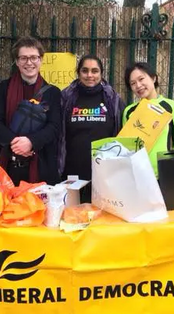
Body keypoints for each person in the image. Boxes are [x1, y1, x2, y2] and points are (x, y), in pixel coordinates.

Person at [0, 36, 61, 186]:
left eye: (34, 57)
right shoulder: (4, 88)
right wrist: (16, 143)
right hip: (9, 164)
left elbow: (54, 127)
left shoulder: (53, 92)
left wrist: (31, 142)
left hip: (42, 166)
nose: (29, 63)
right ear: (16, 61)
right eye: (23, 58)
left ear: (41, 59)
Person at [59, 55, 125, 203]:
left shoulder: (113, 100)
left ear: (101, 74)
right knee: (74, 218)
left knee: (101, 220)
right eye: (85, 71)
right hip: (72, 173)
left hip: (104, 174)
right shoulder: (66, 98)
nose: (90, 75)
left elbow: (122, 133)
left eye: (95, 71)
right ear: (78, 73)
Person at [123, 62, 174, 177]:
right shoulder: (129, 111)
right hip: (137, 176)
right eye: (133, 83)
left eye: (141, 79)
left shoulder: (172, 107)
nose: (138, 85)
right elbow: (126, 146)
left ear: (153, 78)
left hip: (163, 176)